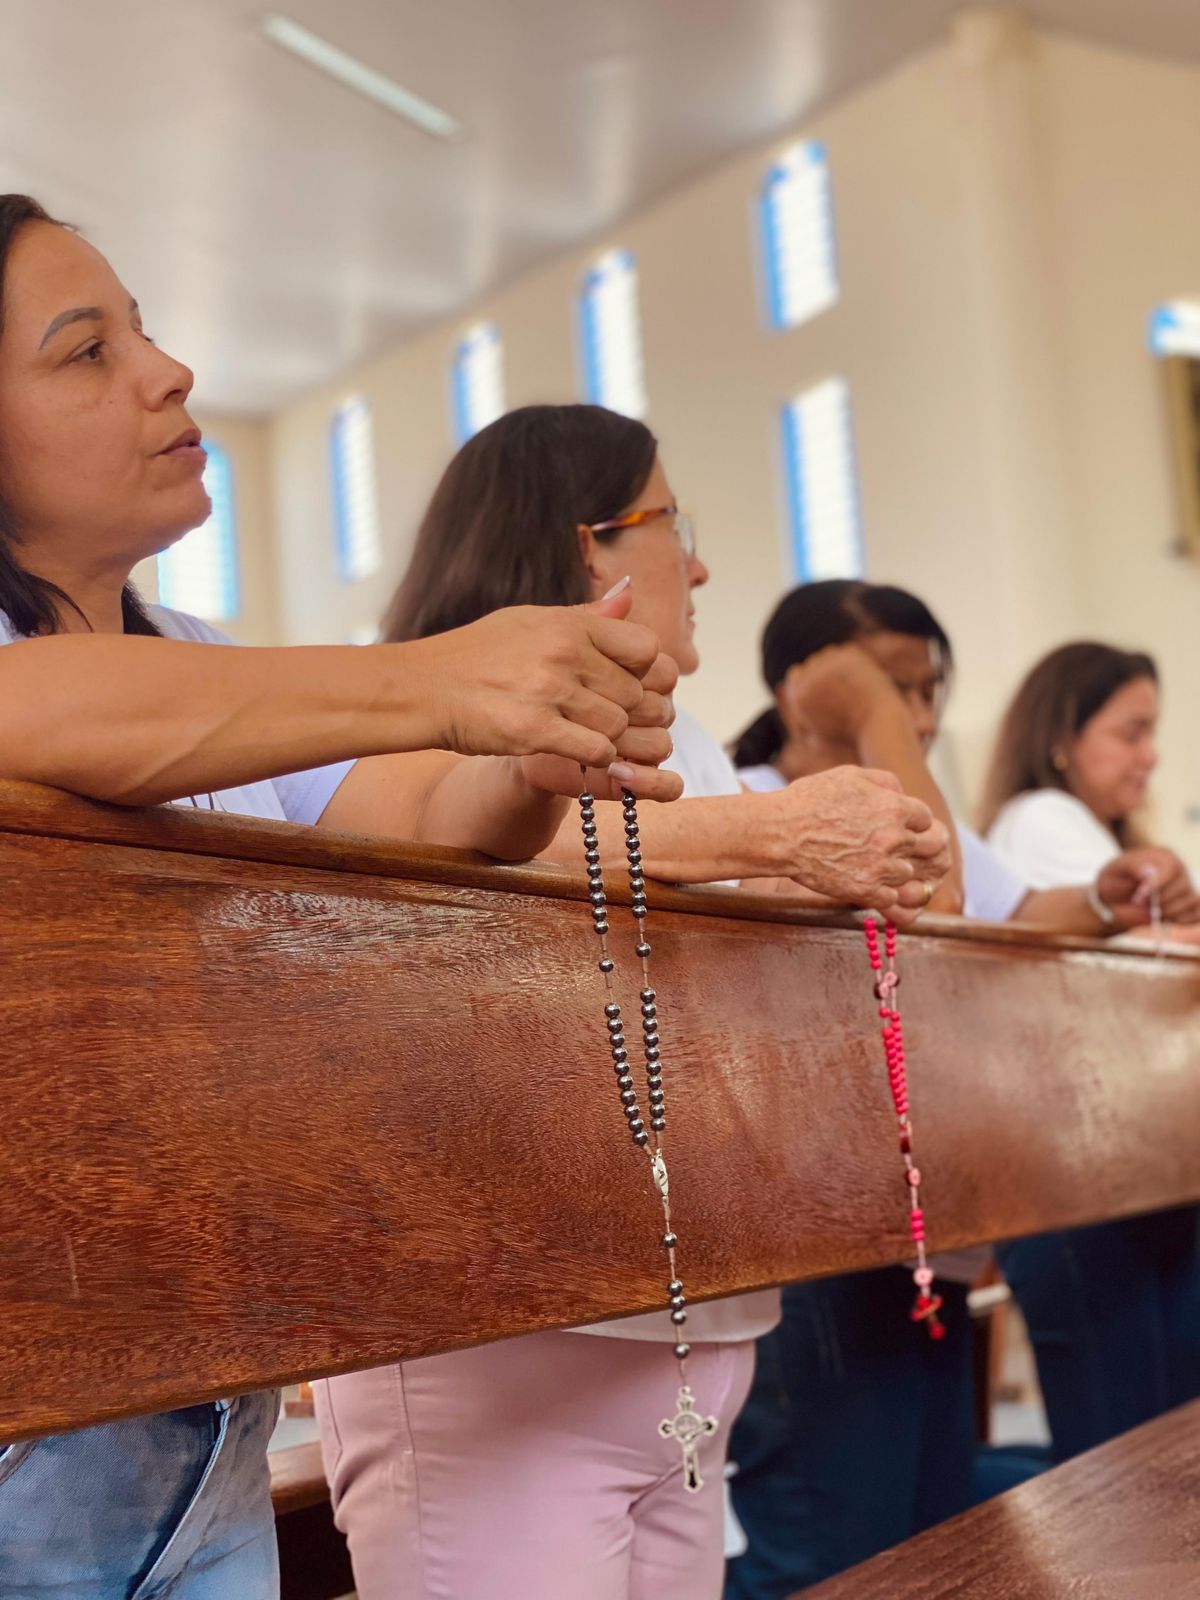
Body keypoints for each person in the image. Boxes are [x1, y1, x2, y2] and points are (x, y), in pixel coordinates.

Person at [0, 197, 682, 1600]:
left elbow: (412, 821)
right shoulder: (100, 678)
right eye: (86, 350)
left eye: (143, 329)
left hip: (203, 1426)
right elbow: (36, 713)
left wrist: (530, 760)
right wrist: (445, 676)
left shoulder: (194, 653)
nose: (169, 372)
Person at [313, 407, 953, 1600]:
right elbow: (457, 845)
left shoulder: (689, 738)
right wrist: (769, 834)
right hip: (511, 1338)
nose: (699, 568)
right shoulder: (428, 699)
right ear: (588, 545)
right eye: (674, 526)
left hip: (691, 1319)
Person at [722, 583, 1200, 1598]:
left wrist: (1104, 896)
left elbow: (1009, 908)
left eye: (929, 689)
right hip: (813, 1227)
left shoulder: (910, 798)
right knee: (827, 1543)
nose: (922, 715)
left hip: (922, 1227)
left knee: (927, 1541)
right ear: (800, 686)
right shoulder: (745, 795)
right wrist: (878, 719)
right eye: (893, 686)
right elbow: (930, 892)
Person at [981, 642, 1200, 1462]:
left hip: (1136, 1175)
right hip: (1080, 1187)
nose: (1151, 754)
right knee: (1128, 1467)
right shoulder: (1041, 818)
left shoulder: (1096, 832)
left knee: (1166, 1457)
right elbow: (1163, 953)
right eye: (1131, 732)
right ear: (1062, 737)